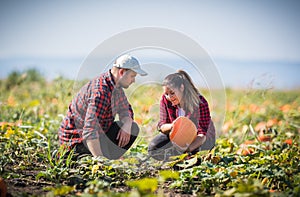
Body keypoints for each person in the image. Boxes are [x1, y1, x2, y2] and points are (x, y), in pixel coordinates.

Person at [58, 54, 147, 159]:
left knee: (132, 128)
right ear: (122, 72)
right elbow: (90, 131)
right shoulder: (101, 92)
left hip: (97, 136)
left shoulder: (116, 87)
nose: (134, 81)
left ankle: (105, 158)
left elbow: (125, 108)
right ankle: (98, 160)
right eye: (132, 76)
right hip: (76, 144)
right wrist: (100, 162)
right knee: (98, 157)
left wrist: (127, 123)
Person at [148, 70, 216, 161]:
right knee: (153, 148)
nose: (169, 97)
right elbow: (162, 125)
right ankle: (173, 160)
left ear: (182, 88)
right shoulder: (165, 100)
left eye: (172, 93)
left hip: (200, 140)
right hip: (178, 136)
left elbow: (202, 134)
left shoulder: (200, 103)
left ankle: (185, 158)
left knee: (194, 158)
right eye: (166, 94)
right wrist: (173, 126)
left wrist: (186, 151)